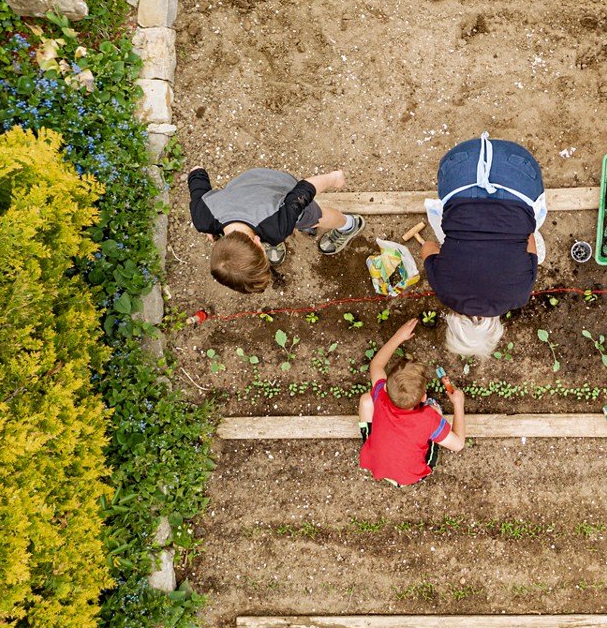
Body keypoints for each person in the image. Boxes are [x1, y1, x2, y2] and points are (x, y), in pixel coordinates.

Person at [419, 134, 545, 357]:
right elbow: (428, 246)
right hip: (460, 163)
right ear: (455, 322)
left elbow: (530, 238)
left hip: (518, 166)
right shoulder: (444, 290)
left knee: (534, 216)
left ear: (494, 328)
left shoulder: (519, 295)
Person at [187, 166, 366, 293]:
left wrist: (334, 178)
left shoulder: (278, 226)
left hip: (280, 187)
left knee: (316, 217)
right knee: (272, 232)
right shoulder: (202, 219)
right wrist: (210, 224)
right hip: (247, 180)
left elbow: (305, 190)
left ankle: (349, 225)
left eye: (263, 252)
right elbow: (197, 172)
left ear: (258, 242)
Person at [358, 319, 466, 487]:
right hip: (411, 475)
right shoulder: (429, 417)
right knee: (436, 410)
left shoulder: (380, 395)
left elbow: (376, 364)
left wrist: (399, 336)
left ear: (386, 387)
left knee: (366, 400)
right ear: (423, 398)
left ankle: (376, 446)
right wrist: (458, 404)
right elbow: (458, 444)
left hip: (377, 465)